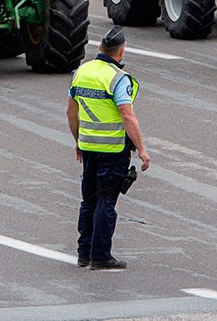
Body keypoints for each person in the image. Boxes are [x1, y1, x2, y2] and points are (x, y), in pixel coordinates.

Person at [67, 26, 150, 270]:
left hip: (88, 147)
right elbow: (127, 115)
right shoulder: (117, 78)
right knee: (106, 201)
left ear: (101, 48)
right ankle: (100, 256)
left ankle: (84, 254)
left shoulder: (81, 72)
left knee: (89, 200)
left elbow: (71, 112)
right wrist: (142, 150)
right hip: (113, 151)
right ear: (121, 52)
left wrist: (77, 142)